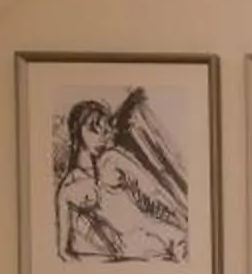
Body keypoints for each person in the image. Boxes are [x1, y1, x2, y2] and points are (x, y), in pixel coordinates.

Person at [53, 91, 192, 264]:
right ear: (77, 132)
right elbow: (63, 252)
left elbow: (153, 192)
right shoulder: (68, 187)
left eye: (105, 131)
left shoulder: (112, 159)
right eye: (93, 129)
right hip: (131, 251)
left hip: (158, 235)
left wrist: (178, 219)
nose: (101, 138)